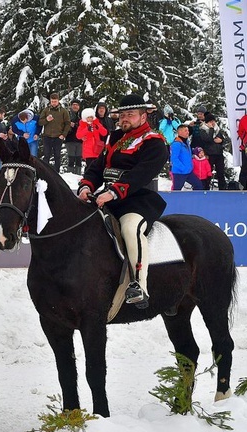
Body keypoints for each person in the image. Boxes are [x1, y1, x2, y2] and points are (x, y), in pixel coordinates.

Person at [77, 94, 169, 308]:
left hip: (137, 200)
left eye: (130, 114)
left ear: (143, 116)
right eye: (122, 115)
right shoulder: (115, 137)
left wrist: (114, 191)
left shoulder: (154, 141)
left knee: (130, 229)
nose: (124, 118)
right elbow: (99, 167)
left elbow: (141, 174)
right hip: (107, 197)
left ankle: (139, 284)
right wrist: (86, 185)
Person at [39, 93, 71, 172]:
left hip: (58, 137)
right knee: (46, 155)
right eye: (52, 101)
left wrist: (64, 134)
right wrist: (46, 120)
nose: (53, 103)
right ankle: (45, 172)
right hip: (47, 136)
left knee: (57, 156)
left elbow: (67, 123)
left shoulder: (63, 111)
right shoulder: (46, 110)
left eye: (55, 101)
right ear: (50, 101)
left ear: (58, 101)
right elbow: (40, 122)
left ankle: (57, 172)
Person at [170, 124, 204, 191]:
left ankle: (195, 200)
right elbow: (174, 159)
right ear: (180, 132)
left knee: (199, 185)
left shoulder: (186, 142)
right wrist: (183, 168)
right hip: (179, 173)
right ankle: (174, 201)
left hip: (188, 171)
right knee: (176, 191)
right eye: (185, 131)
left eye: (188, 130)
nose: (188, 132)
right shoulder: (176, 143)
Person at [199, 112, 227, 190]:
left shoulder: (217, 129)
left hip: (219, 153)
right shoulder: (203, 130)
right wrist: (211, 129)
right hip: (209, 154)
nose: (213, 123)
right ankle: (206, 188)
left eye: (213, 121)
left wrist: (221, 141)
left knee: (221, 172)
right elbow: (208, 139)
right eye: (211, 121)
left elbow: (222, 140)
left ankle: (223, 188)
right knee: (208, 172)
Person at [65, 99, 83, 174]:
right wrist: (69, 125)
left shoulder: (82, 115)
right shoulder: (67, 115)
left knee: (79, 159)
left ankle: (78, 174)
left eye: (77, 105)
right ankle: (70, 175)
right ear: (71, 106)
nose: (75, 106)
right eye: (74, 105)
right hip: (70, 139)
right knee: (71, 158)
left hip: (80, 140)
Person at [237, 107, 247, 189]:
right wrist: (245, 140)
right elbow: (240, 131)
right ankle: (242, 188)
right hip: (246, 148)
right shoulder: (244, 119)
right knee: (245, 168)